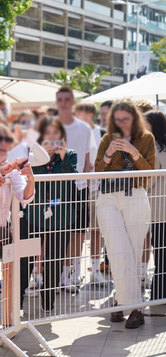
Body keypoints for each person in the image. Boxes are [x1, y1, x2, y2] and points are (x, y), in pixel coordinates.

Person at [95, 98, 155, 328]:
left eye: (126, 119)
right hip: (108, 197)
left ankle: (125, 302)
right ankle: (133, 305)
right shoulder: (106, 138)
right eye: (117, 120)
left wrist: (134, 152)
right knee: (117, 251)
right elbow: (98, 172)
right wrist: (109, 153)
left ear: (134, 118)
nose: (122, 123)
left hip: (136, 196)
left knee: (133, 249)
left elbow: (149, 174)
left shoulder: (146, 138)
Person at [0, 124, 35, 325]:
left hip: (3, 229)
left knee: (10, 276)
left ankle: (9, 322)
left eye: (7, 139)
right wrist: (2, 171)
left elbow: (24, 198)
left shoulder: (11, 167)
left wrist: (30, 178)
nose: (3, 143)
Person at [26, 117, 78, 312]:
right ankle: (21, 296)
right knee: (28, 256)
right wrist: (41, 157)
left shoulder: (70, 155)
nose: (52, 138)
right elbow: (29, 175)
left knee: (55, 259)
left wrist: (63, 158)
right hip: (35, 213)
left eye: (56, 134)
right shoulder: (32, 155)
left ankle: (48, 302)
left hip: (62, 215)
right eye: (48, 134)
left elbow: (72, 178)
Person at [55, 86, 97, 291]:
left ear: (73, 102)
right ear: (57, 102)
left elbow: (88, 160)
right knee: (56, 232)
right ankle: (46, 276)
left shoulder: (85, 128)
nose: (63, 103)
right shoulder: (51, 126)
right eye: (60, 99)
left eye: (67, 99)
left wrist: (86, 184)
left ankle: (67, 275)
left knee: (78, 232)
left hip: (80, 187)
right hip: (56, 187)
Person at [73, 102, 106, 284]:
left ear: (91, 115)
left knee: (95, 230)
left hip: (95, 188)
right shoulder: (73, 132)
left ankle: (95, 269)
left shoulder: (100, 133)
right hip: (76, 188)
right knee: (76, 232)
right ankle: (74, 270)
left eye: (83, 114)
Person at [143, 111, 166, 301]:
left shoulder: (155, 149)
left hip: (158, 208)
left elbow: (149, 180)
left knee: (159, 252)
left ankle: (159, 294)